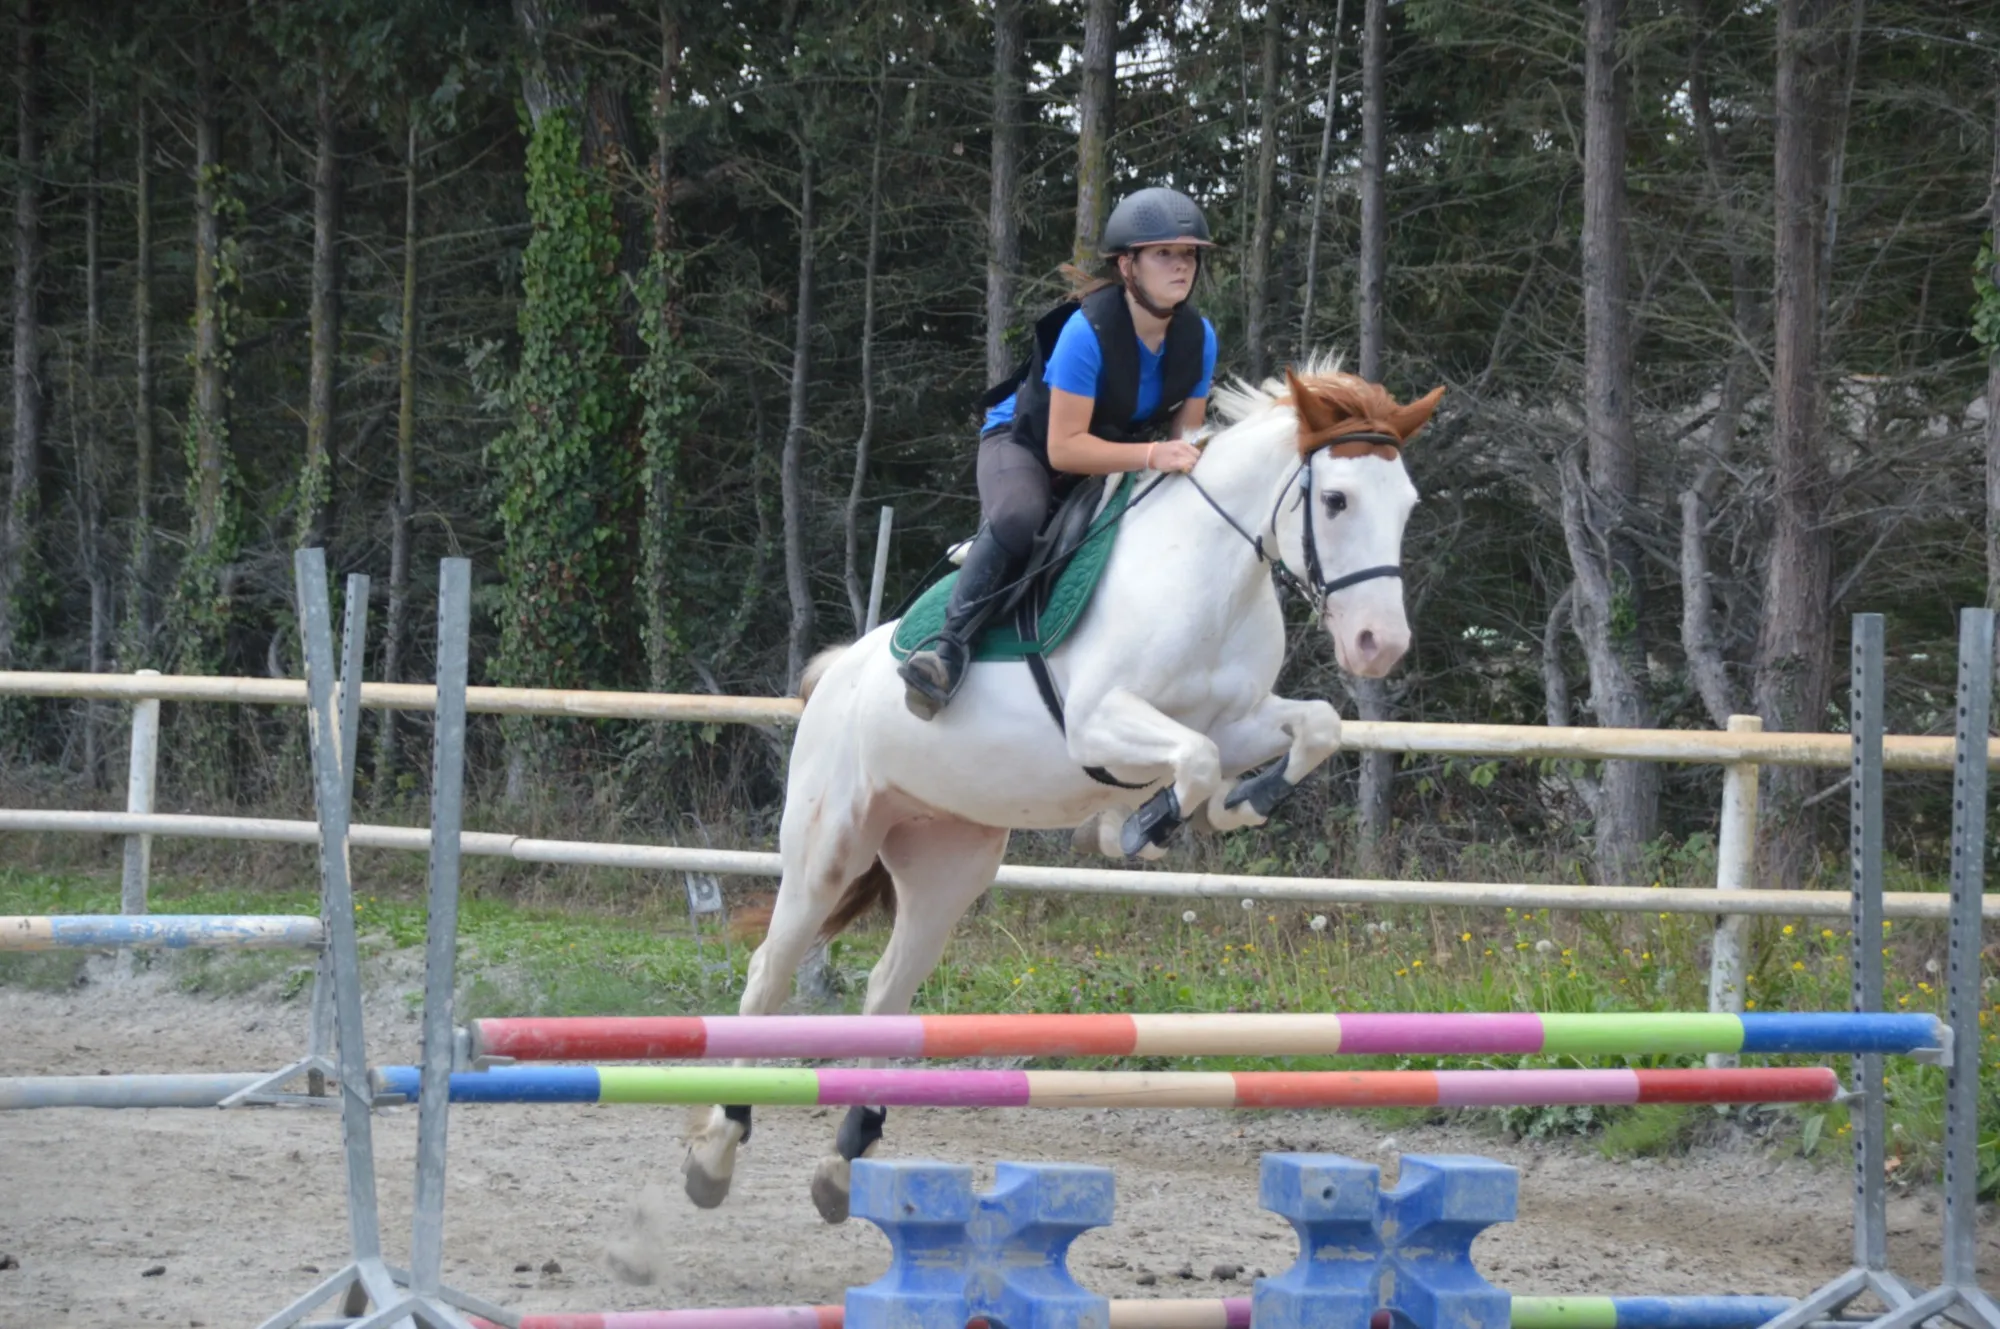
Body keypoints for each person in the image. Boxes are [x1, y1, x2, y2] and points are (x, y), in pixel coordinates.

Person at [899, 185, 1222, 720]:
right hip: (1027, 444)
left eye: (1188, 254)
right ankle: (946, 652)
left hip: (1114, 451)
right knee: (1022, 517)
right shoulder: (1085, 331)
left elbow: (1183, 443)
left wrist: (1179, 459)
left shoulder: (1199, 337)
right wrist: (1151, 456)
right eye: (1163, 253)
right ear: (1127, 265)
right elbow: (1065, 449)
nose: (1181, 265)